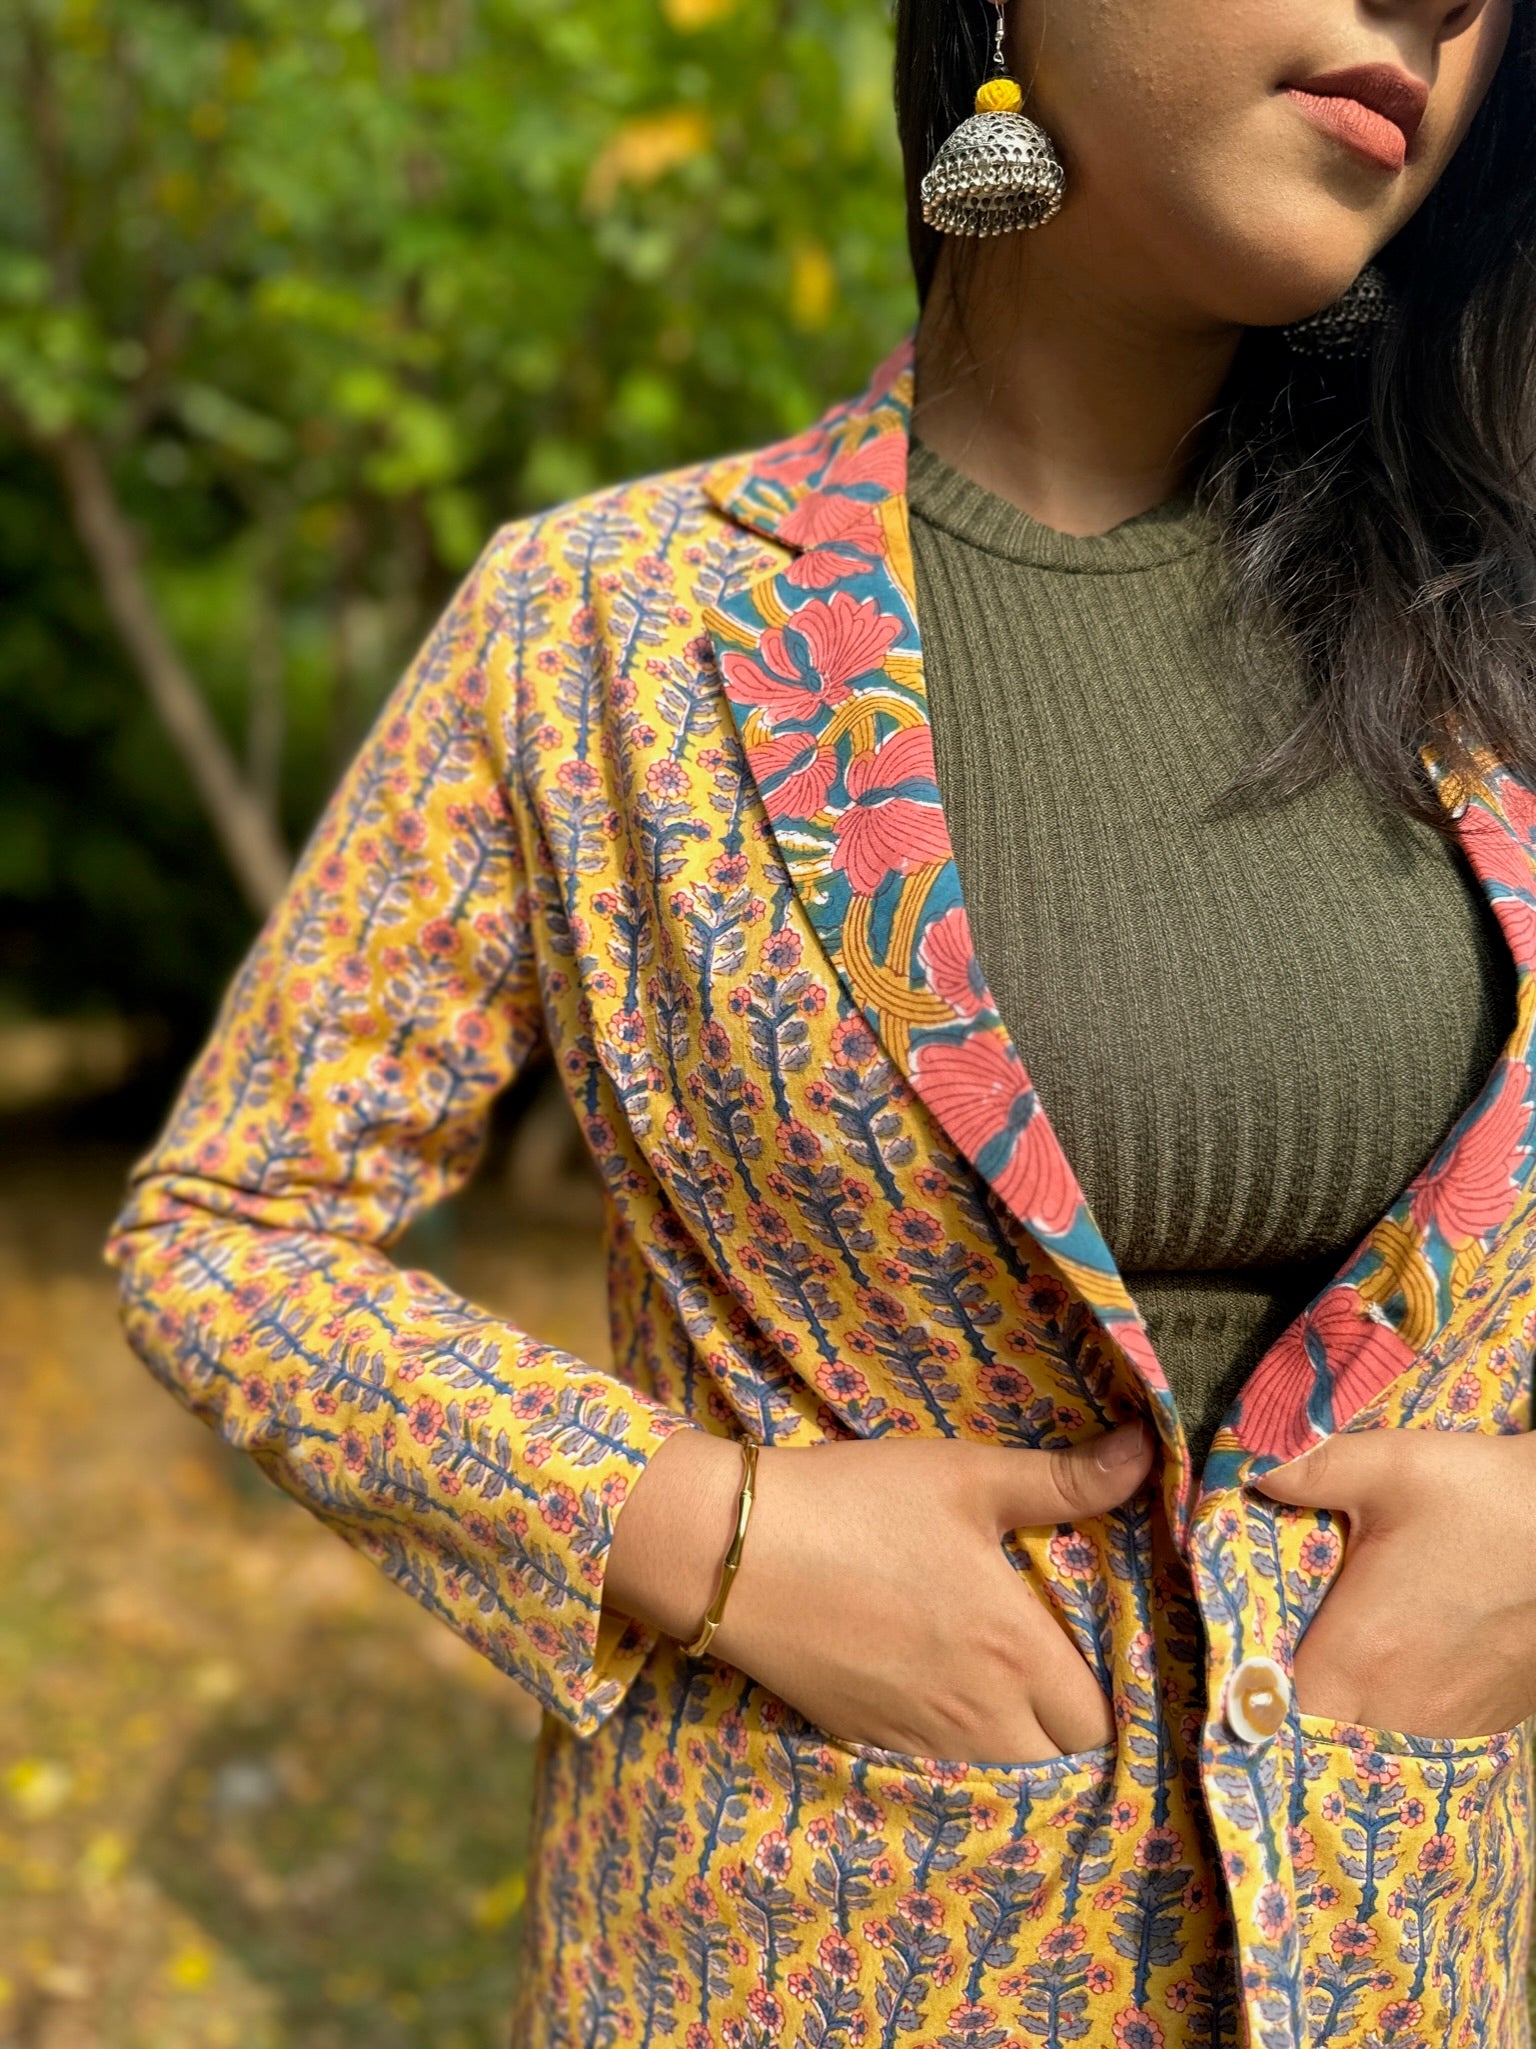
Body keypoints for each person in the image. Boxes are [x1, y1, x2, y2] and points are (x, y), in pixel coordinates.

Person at [106, 0, 1536, 2041]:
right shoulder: (606, 631)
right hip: (792, 1958)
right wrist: (703, 1530)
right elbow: (229, 1229)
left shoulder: (1494, 666)